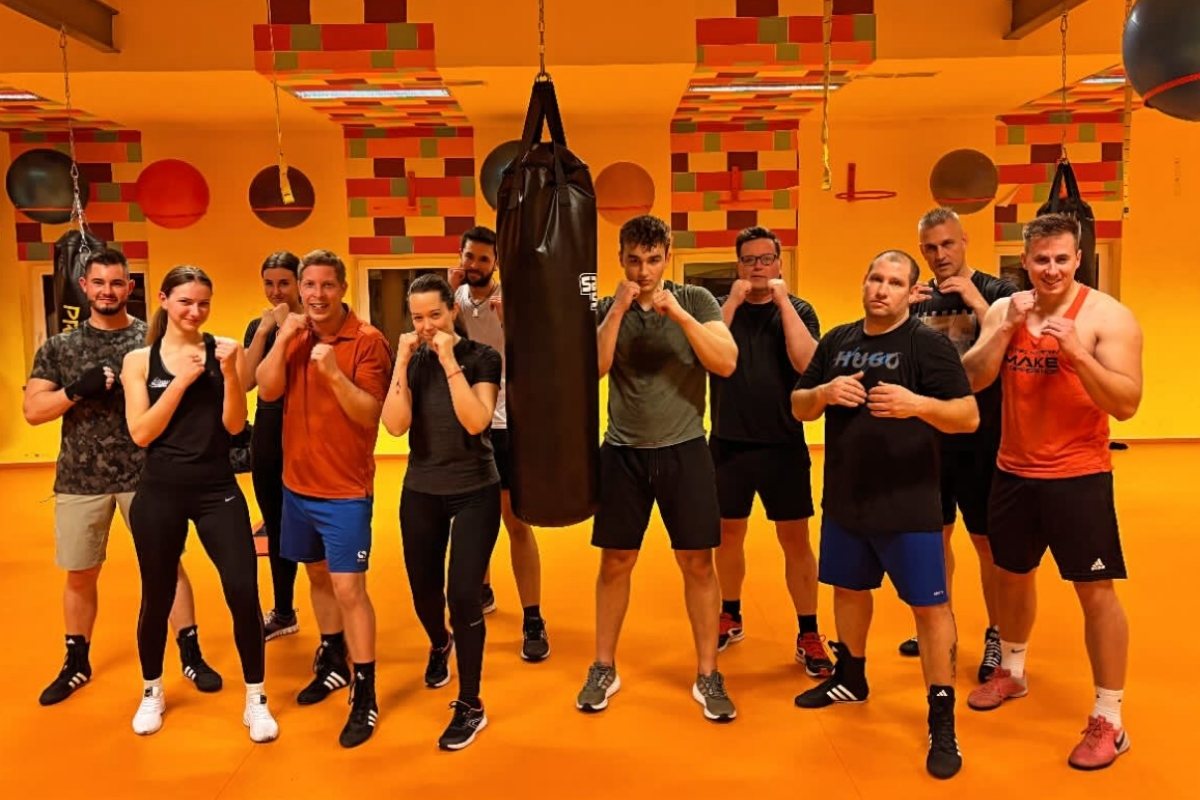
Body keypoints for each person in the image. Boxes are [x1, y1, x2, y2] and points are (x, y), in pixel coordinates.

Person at [962, 214, 1143, 771]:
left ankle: (1109, 718)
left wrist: (1078, 355)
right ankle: (1012, 671)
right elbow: (970, 380)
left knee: (1096, 593)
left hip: (1078, 476)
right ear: (1025, 261)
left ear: (1079, 257)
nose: (1052, 269)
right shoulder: (1004, 310)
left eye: (1062, 258)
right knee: (1012, 576)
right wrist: (1002, 331)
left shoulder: (1108, 316)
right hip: (1013, 471)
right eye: (1041, 259)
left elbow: (1127, 403)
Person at [790, 250, 979, 780]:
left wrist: (918, 405)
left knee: (930, 609)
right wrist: (824, 393)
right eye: (875, 278)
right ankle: (851, 677)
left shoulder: (927, 345)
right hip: (846, 500)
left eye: (895, 282)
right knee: (849, 591)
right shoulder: (837, 341)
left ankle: (941, 715)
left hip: (910, 504)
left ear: (909, 292)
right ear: (864, 282)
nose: (881, 289)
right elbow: (798, 405)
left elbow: (967, 416)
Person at [23, 248, 221, 707]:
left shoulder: (151, 340)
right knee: (80, 572)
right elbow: (33, 410)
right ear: (84, 287)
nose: (107, 291)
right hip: (80, 477)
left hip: (147, 475)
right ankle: (76, 661)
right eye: (99, 283)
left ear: (130, 288)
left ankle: (190, 652)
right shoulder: (59, 347)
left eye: (117, 283)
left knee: (167, 566)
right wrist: (75, 390)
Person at [576, 215, 740, 722]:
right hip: (622, 451)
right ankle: (604, 667)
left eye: (652, 260)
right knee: (615, 562)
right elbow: (593, 369)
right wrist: (617, 309)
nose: (643, 271)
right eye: (633, 260)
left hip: (685, 449)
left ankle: (708, 672)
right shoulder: (608, 306)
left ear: (667, 257)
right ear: (620, 259)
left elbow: (726, 362)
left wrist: (680, 317)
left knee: (698, 564)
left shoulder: (696, 300)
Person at [121, 266, 277, 742]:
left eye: (203, 303)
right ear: (164, 299)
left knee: (243, 590)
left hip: (217, 489)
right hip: (160, 490)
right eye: (185, 301)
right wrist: (180, 382)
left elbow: (234, 427)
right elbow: (141, 432)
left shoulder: (224, 351)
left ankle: (256, 698)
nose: (195, 311)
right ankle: (151, 690)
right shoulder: (139, 360)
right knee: (158, 594)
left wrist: (228, 374)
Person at [256, 249, 391, 748]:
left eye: (326, 285)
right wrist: (281, 337)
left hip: (344, 491)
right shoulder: (295, 333)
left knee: (349, 589)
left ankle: (365, 689)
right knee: (316, 575)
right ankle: (333, 658)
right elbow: (267, 391)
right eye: (309, 285)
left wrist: (334, 373)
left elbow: (370, 414)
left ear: (342, 289)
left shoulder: (368, 341)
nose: (316, 295)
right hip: (297, 486)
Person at [382, 274, 502, 751]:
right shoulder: (412, 362)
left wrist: (450, 360)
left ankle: (471, 703)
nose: (427, 325)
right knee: (424, 592)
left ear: (453, 310)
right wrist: (401, 359)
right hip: (422, 489)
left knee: (463, 595)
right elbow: (395, 426)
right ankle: (439, 642)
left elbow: (476, 421)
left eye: (435, 314)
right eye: (417, 318)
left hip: (475, 490)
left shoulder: (482, 357)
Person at [897, 208, 1016, 680]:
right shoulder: (918, 298)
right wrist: (901, 313)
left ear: (964, 239)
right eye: (930, 247)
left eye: (947, 244)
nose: (940, 254)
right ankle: (938, 623)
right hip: (929, 436)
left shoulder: (997, 292)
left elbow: (1016, 347)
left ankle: (998, 633)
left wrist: (977, 302)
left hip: (983, 436)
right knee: (935, 535)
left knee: (986, 542)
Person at [709, 226, 831, 677]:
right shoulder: (720, 310)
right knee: (728, 535)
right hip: (728, 443)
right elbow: (708, 355)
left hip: (783, 444)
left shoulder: (799, 310)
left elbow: (808, 363)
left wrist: (782, 302)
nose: (758, 267)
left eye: (766, 259)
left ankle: (808, 632)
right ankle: (730, 613)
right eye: (749, 260)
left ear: (779, 263)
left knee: (795, 540)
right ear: (738, 265)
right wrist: (732, 302)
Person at [448, 226, 550, 662]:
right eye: (469, 256)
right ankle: (482, 590)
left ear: (496, 264)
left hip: (509, 422)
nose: (474, 265)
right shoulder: (452, 299)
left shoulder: (513, 300)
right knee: (469, 517)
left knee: (515, 520)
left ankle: (533, 618)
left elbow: (541, 355)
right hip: (466, 418)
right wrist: (448, 302)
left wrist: (513, 321)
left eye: (483, 259)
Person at [239, 251, 304, 641]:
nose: (276, 291)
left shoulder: (313, 322)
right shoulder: (257, 327)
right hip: (268, 431)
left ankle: (339, 619)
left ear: (299, 283)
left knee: (320, 526)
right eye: (269, 283)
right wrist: (265, 331)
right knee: (276, 525)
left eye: (283, 283)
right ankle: (283, 610)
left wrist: (286, 328)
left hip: (307, 430)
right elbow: (246, 382)